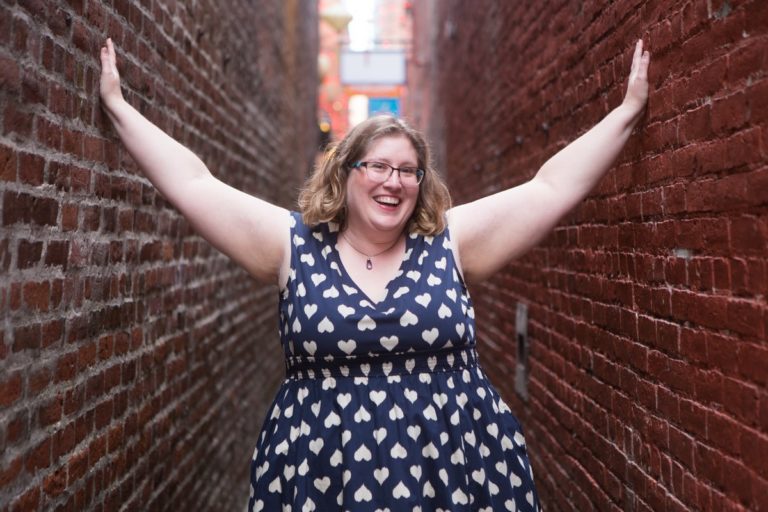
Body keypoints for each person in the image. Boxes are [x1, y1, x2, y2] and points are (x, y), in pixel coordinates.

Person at [99, 37, 650, 511]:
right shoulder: (294, 245)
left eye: (409, 171)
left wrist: (627, 110)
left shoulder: (449, 243)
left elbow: (549, 188)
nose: (395, 181)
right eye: (380, 166)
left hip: (459, 474)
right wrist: (118, 106)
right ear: (346, 173)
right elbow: (196, 185)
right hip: (321, 479)